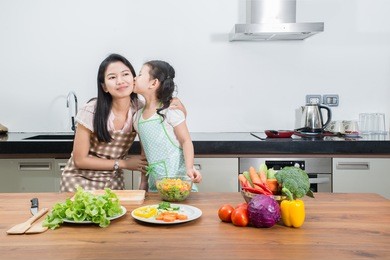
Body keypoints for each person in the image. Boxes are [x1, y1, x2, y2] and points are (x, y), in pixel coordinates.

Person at [60, 54, 185, 192]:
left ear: (134, 79)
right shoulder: (91, 110)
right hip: (78, 180)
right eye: (112, 77)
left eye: (125, 74)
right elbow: (80, 160)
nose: (120, 81)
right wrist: (124, 163)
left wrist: (178, 106)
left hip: (112, 182)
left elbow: (150, 148)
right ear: (104, 87)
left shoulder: (140, 110)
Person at [133, 60, 202, 192]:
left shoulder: (170, 111)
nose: (135, 78)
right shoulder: (137, 117)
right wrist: (143, 182)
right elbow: (144, 153)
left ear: (153, 83)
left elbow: (186, 141)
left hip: (180, 185)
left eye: (140, 74)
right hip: (155, 187)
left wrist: (190, 167)